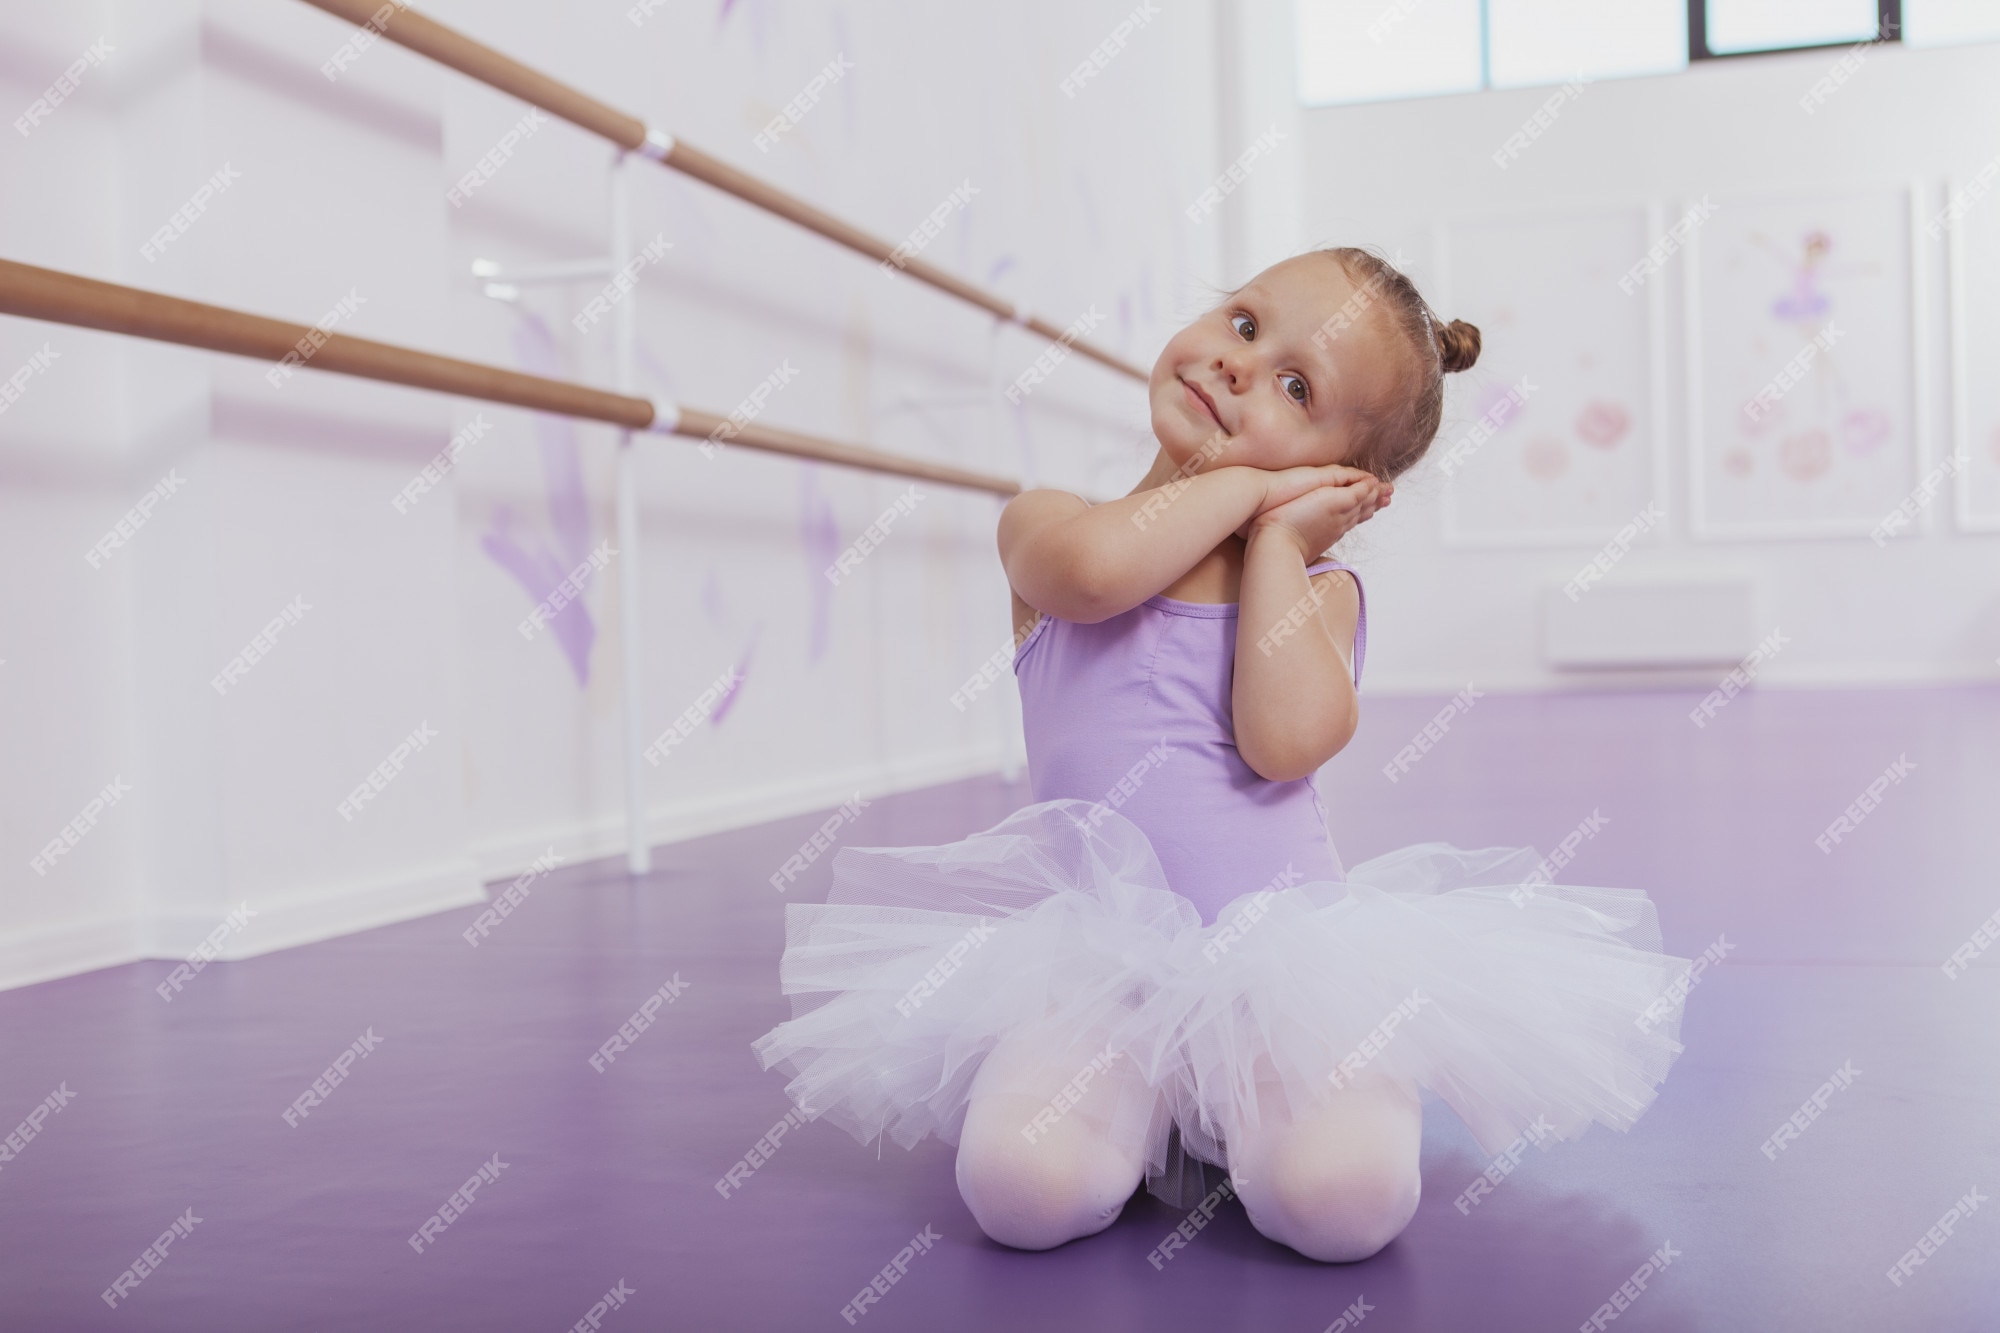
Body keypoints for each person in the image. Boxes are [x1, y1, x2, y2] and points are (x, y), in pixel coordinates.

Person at [753, 247, 1688, 1263]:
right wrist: (1253, 490)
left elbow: (1279, 744)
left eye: (1296, 386)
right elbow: (1099, 575)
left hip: (1280, 962)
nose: (1238, 366)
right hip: (1089, 964)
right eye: (1243, 324)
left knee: (1342, 1204)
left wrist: (1281, 549)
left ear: (1341, 477)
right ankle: (1154, 1106)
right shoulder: (1050, 523)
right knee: (1020, 1193)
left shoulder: (1318, 592)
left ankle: (1265, 1108)